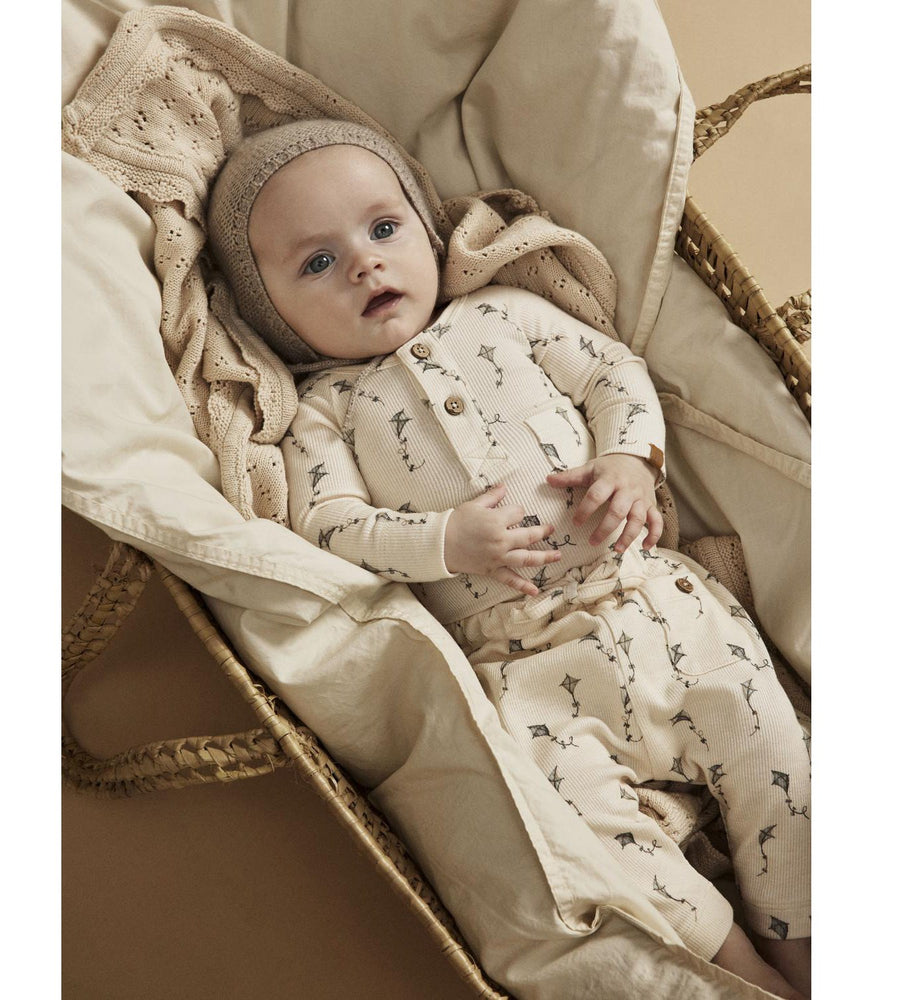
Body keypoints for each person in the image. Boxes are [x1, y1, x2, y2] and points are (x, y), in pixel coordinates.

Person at [207, 119, 811, 999]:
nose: (365, 265)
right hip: (524, 668)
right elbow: (329, 525)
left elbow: (614, 374)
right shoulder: (323, 412)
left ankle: (804, 943)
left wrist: (628, 459)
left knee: (778, 762)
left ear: (426, 230)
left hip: (654, 600)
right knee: (576, 831)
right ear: (271, 312)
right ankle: (739, 968)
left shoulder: (503, 315)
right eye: (318, 263)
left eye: (383, 229)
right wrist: (441, 541)